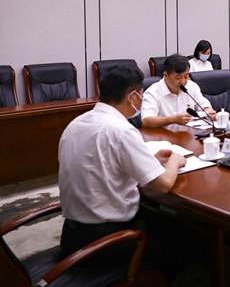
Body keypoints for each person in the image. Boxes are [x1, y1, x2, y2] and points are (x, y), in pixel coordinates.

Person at [58, 64, 188, 274]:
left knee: (162, 220)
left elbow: (102, 163)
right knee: (186, 237)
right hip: (108, 241)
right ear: (132, 96)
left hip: (72, 235)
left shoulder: (75, 124)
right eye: (141, 96)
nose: (141, 101)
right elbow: (163, 185)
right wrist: (174, 161)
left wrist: (151, 159)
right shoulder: (122, 130)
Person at [141, 54, 216, 128]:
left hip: (191, 134)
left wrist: (209, 113)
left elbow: (205, 107)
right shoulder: (153, 92)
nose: (182, 82)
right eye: (178, 78)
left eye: (186, 76)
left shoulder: (192, 86)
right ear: (166, 75)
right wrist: (173, 119)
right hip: (165, 135)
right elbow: (146, 121)